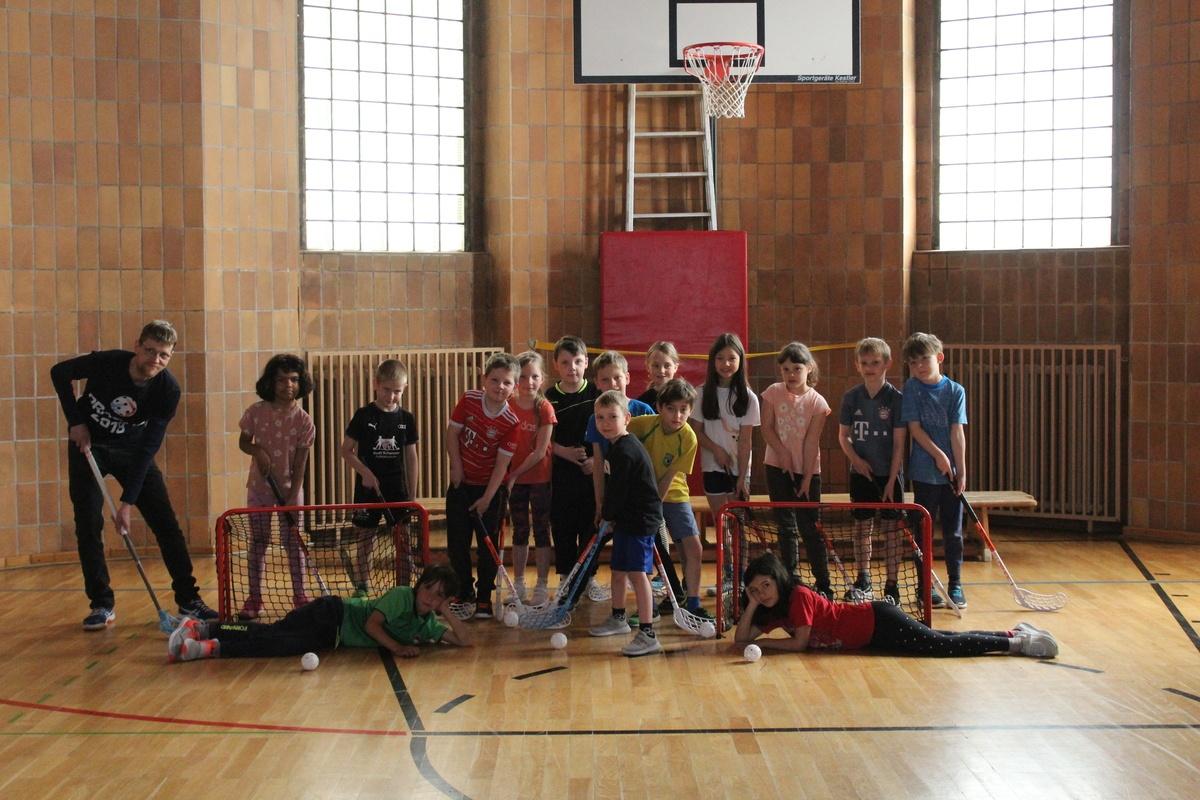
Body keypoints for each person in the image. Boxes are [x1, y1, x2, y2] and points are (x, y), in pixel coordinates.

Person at [50, 320, 217, 631]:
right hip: (89, 445)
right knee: (88, 523)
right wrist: (76, 422)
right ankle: (101, 603)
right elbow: (59, 372)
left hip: (132, 450)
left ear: (171, 356)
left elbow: (148, 447)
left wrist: (127, 503)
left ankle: (189, 599)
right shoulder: (108, 362)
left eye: (164, 355)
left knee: (166, 523)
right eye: (150, 351)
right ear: (137, 346)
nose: (155, 360)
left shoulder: (167, 390)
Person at [732, 553, 1058, 658]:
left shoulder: (798, 597)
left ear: (779, 580)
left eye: (766, 585)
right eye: (755, 589)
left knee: (940, 646)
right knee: (940, 639)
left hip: (877, 620)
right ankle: (1013, 633)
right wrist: (752, 605)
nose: (762, 593)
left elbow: (800, 643)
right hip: (873, 638)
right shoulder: (773, 609)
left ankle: (1017, 643)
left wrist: (764, 644)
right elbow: (740, 639)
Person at [167, 564, 470, 662]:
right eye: (428, 589)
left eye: (438, 596)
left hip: (331, 636)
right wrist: (398, 648)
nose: (429, 598)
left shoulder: (427, 623)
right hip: (332, 615)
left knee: (274, 636)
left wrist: (446, 610)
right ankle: (208, 643)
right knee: (278, 641)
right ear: (418, 586)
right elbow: (372, 625)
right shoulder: (402, 596)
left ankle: (205, 632)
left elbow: (465, 641)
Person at [237, 354, 317, 619]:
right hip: (259, 488)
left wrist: (293, 495)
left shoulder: (304, 420)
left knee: (293, 542)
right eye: (281, 380)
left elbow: (301, 462)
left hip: (290, 490)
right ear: (271, 382)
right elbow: (244, 442)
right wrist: (258, 451)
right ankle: (254, 599)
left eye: (293, 379)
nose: (288, 385)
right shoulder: (256, 412)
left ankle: (300, 596)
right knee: (258, 542)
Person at [587, 391, 664, 657]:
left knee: (637, 574)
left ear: (627, 418)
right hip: (626, 519)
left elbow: (618, 491)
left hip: (640, 521)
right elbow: (616, 490)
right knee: (618, 569)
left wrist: (606, 516)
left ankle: (648, 633)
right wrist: (609, 516)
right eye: (600, 418)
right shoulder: (616, 447)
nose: (606, 423)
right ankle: (618, 618)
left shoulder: (626, 450)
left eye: (612, 417)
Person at [446, 352, 521, 620]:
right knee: (457, 543)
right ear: (484, 379)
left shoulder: (511, 422)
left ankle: (484, 598)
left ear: (515, 387)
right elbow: (452, 433)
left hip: (490, 490)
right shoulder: (469, 400)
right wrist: (456, 467)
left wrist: (488, 498)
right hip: (461, 485)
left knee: (487, 548)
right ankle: (463, 591)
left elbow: (501, 466)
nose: (500, 387)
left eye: (507, 382)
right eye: (495, 380)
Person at [628, 379, 709, 619]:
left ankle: (692, 603)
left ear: (691, 410)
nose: (677, 415)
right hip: (643, 495)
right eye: (671, 409)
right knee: (645, 550)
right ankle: (647, 606)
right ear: (660, 407)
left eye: (684, 409)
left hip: (673, 494)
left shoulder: (689, 438)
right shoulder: (642, 425)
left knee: (693, 547)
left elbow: (670, 477)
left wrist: (654, 506)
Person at [581, 350, 655, 604]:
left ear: (627, 378)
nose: (612, 384)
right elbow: (599, 463)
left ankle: (653, 607)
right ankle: (596, 599)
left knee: (651, 555)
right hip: (616, 500)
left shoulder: (643, 411)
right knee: (615, 561)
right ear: (596, 383)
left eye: (617, 378)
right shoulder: (596, 417)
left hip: (641, 503)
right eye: (605, 379)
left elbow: (648, 462)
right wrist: (600, 503)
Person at [340, 359, 419, 596]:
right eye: (386, 390)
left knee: (402, 541)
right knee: (366, 539)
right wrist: (365, 472)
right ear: (376, 384)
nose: (391, 396)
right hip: (368, 490)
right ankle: (362, 588)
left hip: (397, 489)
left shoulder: (407, 419)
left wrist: (412, 495)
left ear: (404, 389)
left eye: (397, 391)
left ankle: (404, 590)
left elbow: (412, 457)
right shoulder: (363, 415)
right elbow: (346, 450)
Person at [900, 332, 968, 608]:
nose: (919, 366)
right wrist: (939, 455)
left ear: (939, 358)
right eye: (913, 362)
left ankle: (956, 584)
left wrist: (961, 470)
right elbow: (915, 429)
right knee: (923, 533)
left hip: (950, 475)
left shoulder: (955, 391)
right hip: (923, 473)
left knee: (953, 532)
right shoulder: (912, 388)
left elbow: (957, 432)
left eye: (924, 360)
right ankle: (924, 587)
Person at [838, 337, 907, 604]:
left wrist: (891, 479)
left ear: (887, 363)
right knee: (861, 528)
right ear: (857, 365)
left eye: (875, 363)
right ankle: (863, 579)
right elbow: (843, 436)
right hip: (861, 474)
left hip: (889, 474)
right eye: (864, 363)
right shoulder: (851, 397)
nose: (870, 368)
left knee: (891, 530)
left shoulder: (895, 399)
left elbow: (899, 443)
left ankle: (892, 585)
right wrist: (855, 459)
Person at [760, 342, 832, 597]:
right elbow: (767, 428)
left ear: (809, 368)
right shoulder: (773, 392)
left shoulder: (817, 402)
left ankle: (824, 584)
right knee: (785, 526)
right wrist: (782, 454)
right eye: (786, 369)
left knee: (810, 527)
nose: (791, 374)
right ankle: (789, 579)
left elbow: (812, 441)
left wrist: (807, 477)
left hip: (807, 470)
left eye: (797, 369)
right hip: (776, 467)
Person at [545, 336, 601, 596]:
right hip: (561, 475)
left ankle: (589, 577)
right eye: (565, 362)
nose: (572, 368)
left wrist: (595, 461)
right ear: (556, 365)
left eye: (577, 361)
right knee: (563, 527)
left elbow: (610, 435)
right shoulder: (549, 398)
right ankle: (566, 578)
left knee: (589, 525)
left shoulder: (596, 394)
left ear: (586, 363)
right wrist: (563, 452)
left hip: (591, 476)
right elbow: (541, 439)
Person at [503, 351, 557, 606]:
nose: (529, 382)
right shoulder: (509, 405)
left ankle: (542, 584)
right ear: (516, 379)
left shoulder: (544, 408)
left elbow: (539, 452)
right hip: (515, 480)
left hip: (539, 478)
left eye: (534, 376)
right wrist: (507, 474)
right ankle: (519, 583)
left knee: (542, 530)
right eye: (523, 377)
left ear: (542, 378)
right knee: (519, 530)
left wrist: (513, 474)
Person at [690, 333, 760, 515]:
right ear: (713, 361)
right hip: (712, 467)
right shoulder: (701, 393)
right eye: (720, 358)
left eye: (731, 358)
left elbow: (745, 441)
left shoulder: (749, 398)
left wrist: (742, 477)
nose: (726, 364)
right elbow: (695, 431)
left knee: (738, 522)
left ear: (740, 360)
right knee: (720, 520)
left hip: (739, 469)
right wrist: (716, 450)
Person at [635, 341, 681, 408]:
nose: (661, 371)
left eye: (667, 366)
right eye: (656, 366)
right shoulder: (642, 402)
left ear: (675, 367)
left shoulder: (684, 397)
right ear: (648, 367)